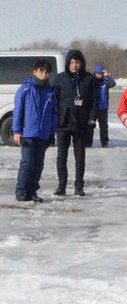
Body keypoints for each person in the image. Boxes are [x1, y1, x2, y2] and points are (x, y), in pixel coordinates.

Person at [53, 50, 98, 197]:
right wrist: (54, 119)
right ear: (67, 63)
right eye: (72, 62)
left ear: (82, 63)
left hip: (81, 122)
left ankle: (79, 186)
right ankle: (62, 186)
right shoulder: (60, 79)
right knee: (61, 156)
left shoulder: (89, 79)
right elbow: (54, 100)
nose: (74, 65)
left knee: (80, 156)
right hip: (63, 122)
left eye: (77, 62)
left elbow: (94, 101)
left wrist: (92, 118)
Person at [13, 59, 57, 202]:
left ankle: (32, 191)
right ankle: (21, 190)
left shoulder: (51, 91)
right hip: (28, 133)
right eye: (41, 71)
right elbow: (18, 111)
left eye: (46, 72)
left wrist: (52, 133)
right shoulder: (25, 89)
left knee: (38, 164)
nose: (43, 74)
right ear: (35, 72)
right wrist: (17, 131)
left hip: (43, 134)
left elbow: (54, 113)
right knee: (27, 162)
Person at [90, 65, 116, 148]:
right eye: (98, 73)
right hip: (93, 107)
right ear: (95, 73)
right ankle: (88, 141)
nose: (99, 75)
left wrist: (108, 75)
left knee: (104, 126)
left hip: (103, 108)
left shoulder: (106, 82)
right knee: (90, 125)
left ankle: (104, 142)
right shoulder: (92, 81)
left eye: (101, 73)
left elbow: (113, 83)